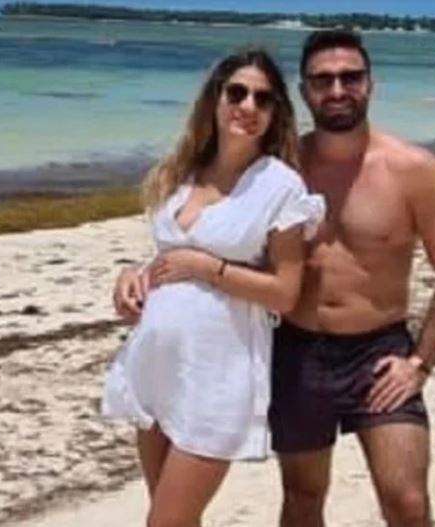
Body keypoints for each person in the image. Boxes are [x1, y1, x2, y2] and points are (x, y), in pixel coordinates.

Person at [116, 29, 435, 526]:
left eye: (350, 77)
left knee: (406, 501)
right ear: (305, 92)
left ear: (371, 84)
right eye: (323, 80)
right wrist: (142, 272)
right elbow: (216, 234)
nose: (337, 90)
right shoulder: (277, 169)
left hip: (378, 353)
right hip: (296, 348)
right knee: (303, 497)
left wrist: (420, 363)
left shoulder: (413, 170)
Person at [103, 48, 325, 527]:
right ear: (215, 98)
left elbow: (285, 292)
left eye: (263, 99)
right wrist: (131, 276)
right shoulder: (182, 171)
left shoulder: (279, 186)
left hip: (216, 376)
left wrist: (209, 268)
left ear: (275, 113)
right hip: (157, 365)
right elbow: (168, 255)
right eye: (237, 93)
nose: (248, 106)